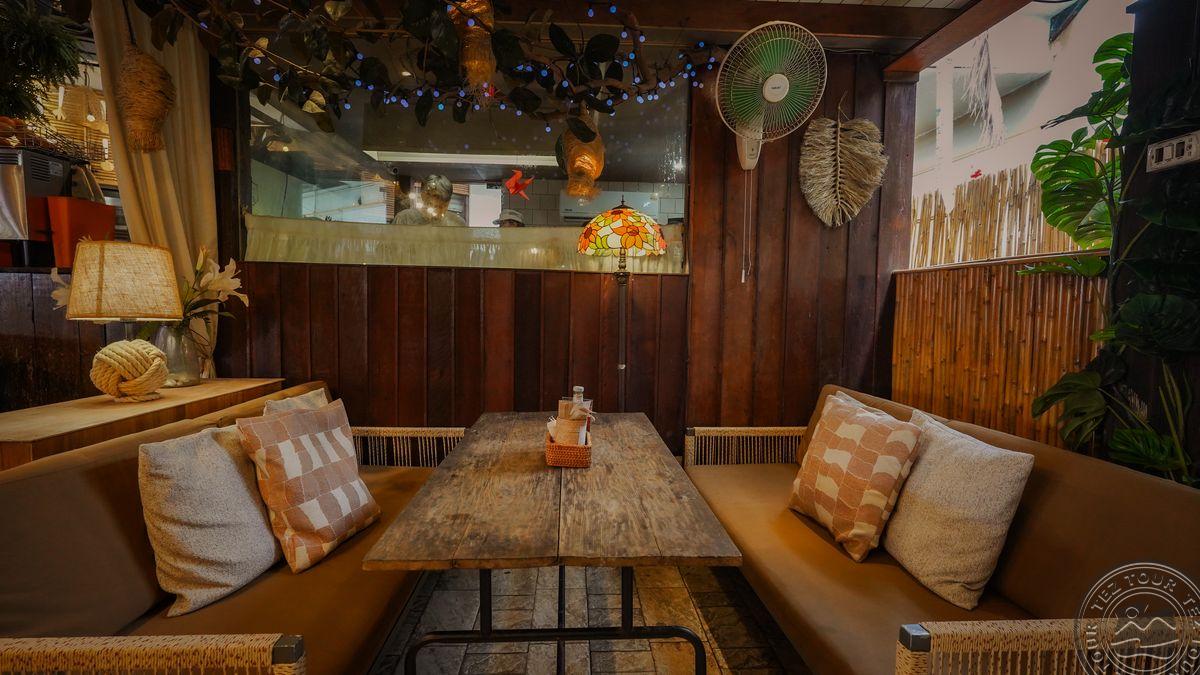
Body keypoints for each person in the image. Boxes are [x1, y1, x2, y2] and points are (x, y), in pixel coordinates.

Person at [393, 175, 467, 227]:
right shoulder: (404, 219)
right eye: (434, 206)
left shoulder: (457, 223)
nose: (438, 212)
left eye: (442, 206)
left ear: (449, 202)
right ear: (423, 196)